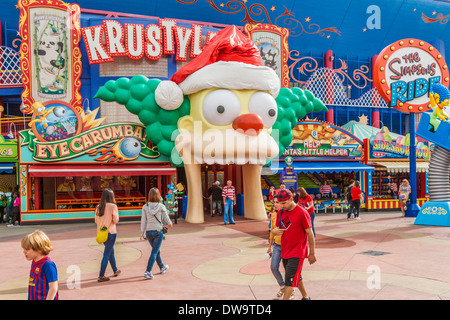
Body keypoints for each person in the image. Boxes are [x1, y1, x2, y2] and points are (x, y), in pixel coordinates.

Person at [272, 189, 316, 300]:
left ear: (291, 199)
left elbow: (310, 233)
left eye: (284, 203)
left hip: (298, 252)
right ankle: (306, 297)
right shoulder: (281, 212)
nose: (281, 205)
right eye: (279, 203)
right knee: (296, 276)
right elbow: (277, 228)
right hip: (285, 251)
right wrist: (274, 232)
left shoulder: (302, 212)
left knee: (289, 282)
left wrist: (312, 253)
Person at [140, 187, 173, 279]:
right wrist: (170, 224)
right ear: (158, 195)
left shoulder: (145, 207)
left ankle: (162, 267)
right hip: (158, 232)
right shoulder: (161, 206)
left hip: (149, 232)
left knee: (156, 250)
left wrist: (142, 233)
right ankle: (148, 271)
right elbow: (166, 218)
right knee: (154, 251)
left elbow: (143, 221)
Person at [267, 196, 294, 299]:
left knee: (289, 271)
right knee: (273, 267)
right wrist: (270, 246)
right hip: (277, 245)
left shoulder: (288, 214)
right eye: (275, 202)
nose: (276, 204)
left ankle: (290, 290)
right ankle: (282, 286)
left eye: (278, 202)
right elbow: (272, 232)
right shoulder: (274, 216)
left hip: (288, 245)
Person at [21, 230, 58, 300]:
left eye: (27, 249)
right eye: (24, 249)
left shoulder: (48, 264)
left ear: (39, 249)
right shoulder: (34, 262)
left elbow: (53, 288)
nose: (24, 251)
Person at [95, 188, 120, 282]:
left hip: (102, 234)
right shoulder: (113, 206)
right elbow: (115, 220)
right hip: (111, 233)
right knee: (106, 254)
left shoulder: (98, 207)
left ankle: (115, 270)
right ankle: (101, 275)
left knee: (110, 251)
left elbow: (96, 221)